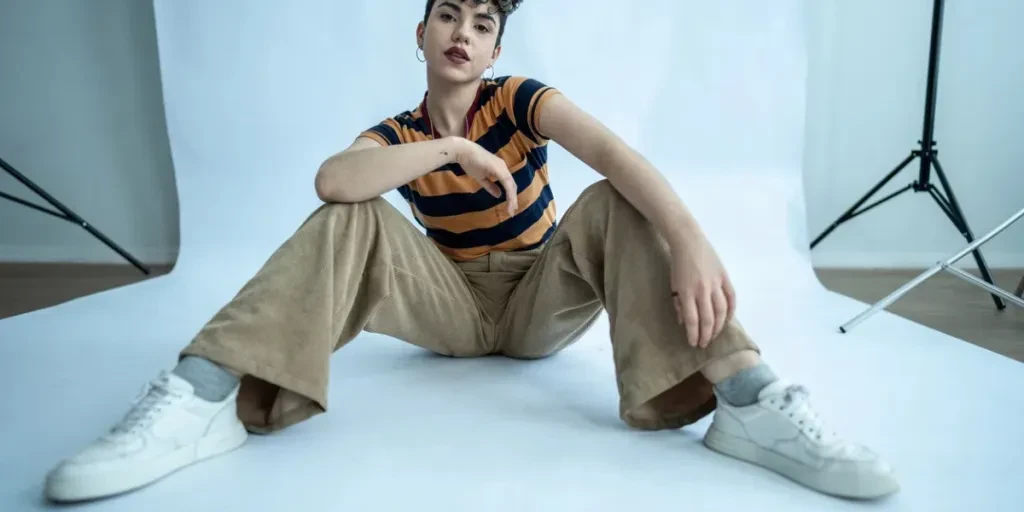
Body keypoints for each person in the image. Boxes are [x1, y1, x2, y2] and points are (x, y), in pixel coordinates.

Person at [43, 0, 899, 503]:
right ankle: (199, 399)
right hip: (448, 306)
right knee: (356, 214)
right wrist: (451, 152)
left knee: (617, 204)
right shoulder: (400, 132)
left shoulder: (521, 99)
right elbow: (334, 181)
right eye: (447, 12)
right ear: (419, 33)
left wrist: (691, 240)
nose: (463, 29)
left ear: (495, 50)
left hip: (540, 296)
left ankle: (748, 401)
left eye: (482, 22)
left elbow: (616, 159)